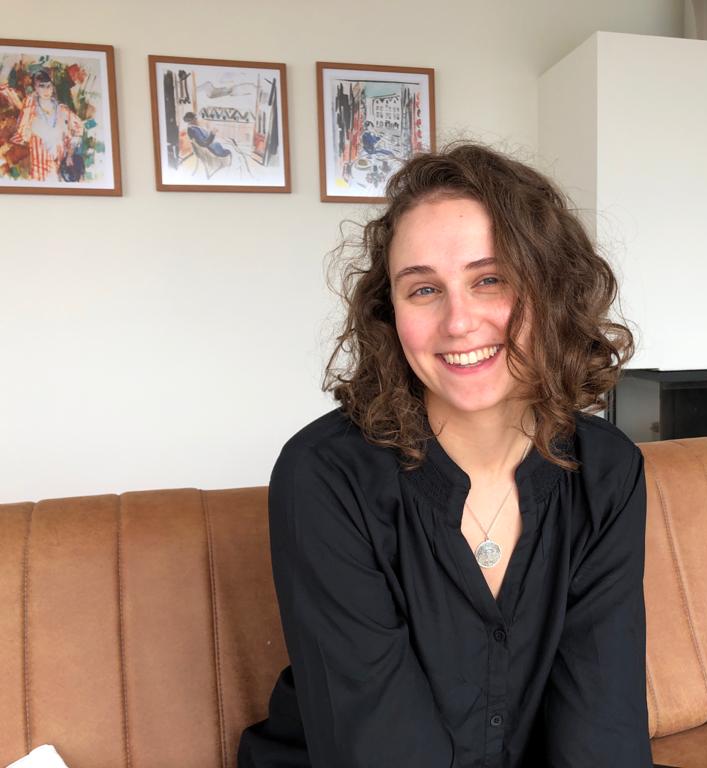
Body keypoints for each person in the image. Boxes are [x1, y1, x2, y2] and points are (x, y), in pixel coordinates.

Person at [237, 143, 652, 767]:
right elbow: (378, 747)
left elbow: (602, 722)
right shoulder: (324, 477)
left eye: (490, 280)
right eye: (424, 289)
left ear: (553, 289)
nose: (458, 322)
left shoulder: (608, 472)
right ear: (391, 314)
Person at [0, 70, 84, 182]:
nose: (46, 90)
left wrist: (70, 154)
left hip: (60, 163)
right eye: (41, 86)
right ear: (35, 88)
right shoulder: (30, 108)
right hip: (39, 165)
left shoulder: (62, 110)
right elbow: (22, 135)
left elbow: (78, 129)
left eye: (48, 86)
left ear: (52, 87)